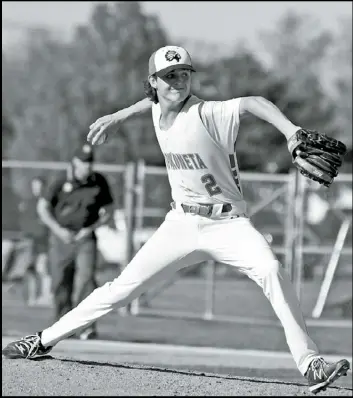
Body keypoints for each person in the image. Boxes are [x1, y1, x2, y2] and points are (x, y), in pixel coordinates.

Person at [2, 46, 349, 394]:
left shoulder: (207, 114)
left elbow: (253, 102)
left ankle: (310, 364)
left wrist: (290, 131)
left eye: (184, 73)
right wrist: (118, 116)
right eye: (170, 76)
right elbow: (151, 105)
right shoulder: (157, 109)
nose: (178, 82)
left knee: (272, 270)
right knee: (121, 289)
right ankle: (43, 339)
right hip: (180, 225)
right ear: (153, 82)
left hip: (229, 225)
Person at [39, 144, 114, 339]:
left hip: (85, 238)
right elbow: (43, 207)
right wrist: (58, 230)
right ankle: (63, 326)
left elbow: (108, 211)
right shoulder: (60, 180)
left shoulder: (99, 182)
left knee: (86, 279)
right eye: (83, 162)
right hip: (60, 238)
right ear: (75, 162)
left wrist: (90, 229)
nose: (87, 167)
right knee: (60, 282)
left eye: (90, 163)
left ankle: (85, 327)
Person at [18, 176, 50, 305]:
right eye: (34, 186)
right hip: (29, 241)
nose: (36, 189)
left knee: (42, 269)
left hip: (43, 241)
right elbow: (24, 221)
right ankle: (31, 298)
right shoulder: (28, 202)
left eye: (39, 186)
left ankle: (45, 296)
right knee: (30, 270)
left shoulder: (47, 202)